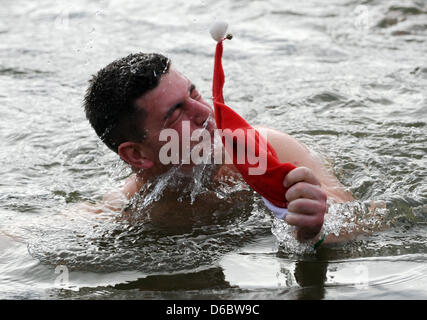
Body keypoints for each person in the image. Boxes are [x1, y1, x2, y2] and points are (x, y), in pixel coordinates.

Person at [83, 52, 354, 245]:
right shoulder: (128, 213)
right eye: (177, 113)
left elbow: (368, 223)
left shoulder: (266, 149)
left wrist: (314, 232)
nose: (205, 112)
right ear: (137, 154)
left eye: (194, 94)